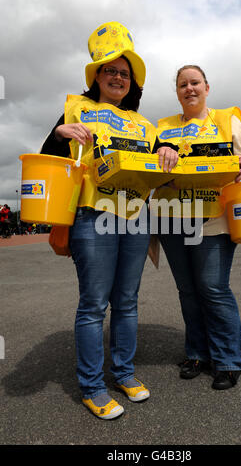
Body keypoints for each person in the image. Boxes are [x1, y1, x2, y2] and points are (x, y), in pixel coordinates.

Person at [40, 22, 157, 419]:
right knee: (93, 305)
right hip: (93, 216)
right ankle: (92, 386)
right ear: (97, 76)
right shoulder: (78, 108)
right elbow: (50, 157)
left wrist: (170, 152)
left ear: (132, 82)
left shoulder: (144, 124)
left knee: (126, 302)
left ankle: (124, 372)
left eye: (124, 73)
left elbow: (163, 162)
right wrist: (58, 133)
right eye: (111, 70)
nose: (118, 77)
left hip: (136, 217)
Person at [154, 65, 241, 390]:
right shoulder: (164, 127)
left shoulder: (227, 120)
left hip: (213, 219)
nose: (189, 88)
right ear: (178, 92)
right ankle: (197, 353)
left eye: (195, 82)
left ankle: (227, 360)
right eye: (183, 84)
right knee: (188, 291)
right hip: (171, 217)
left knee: (213, 289)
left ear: (207, 87)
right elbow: (150, 165)